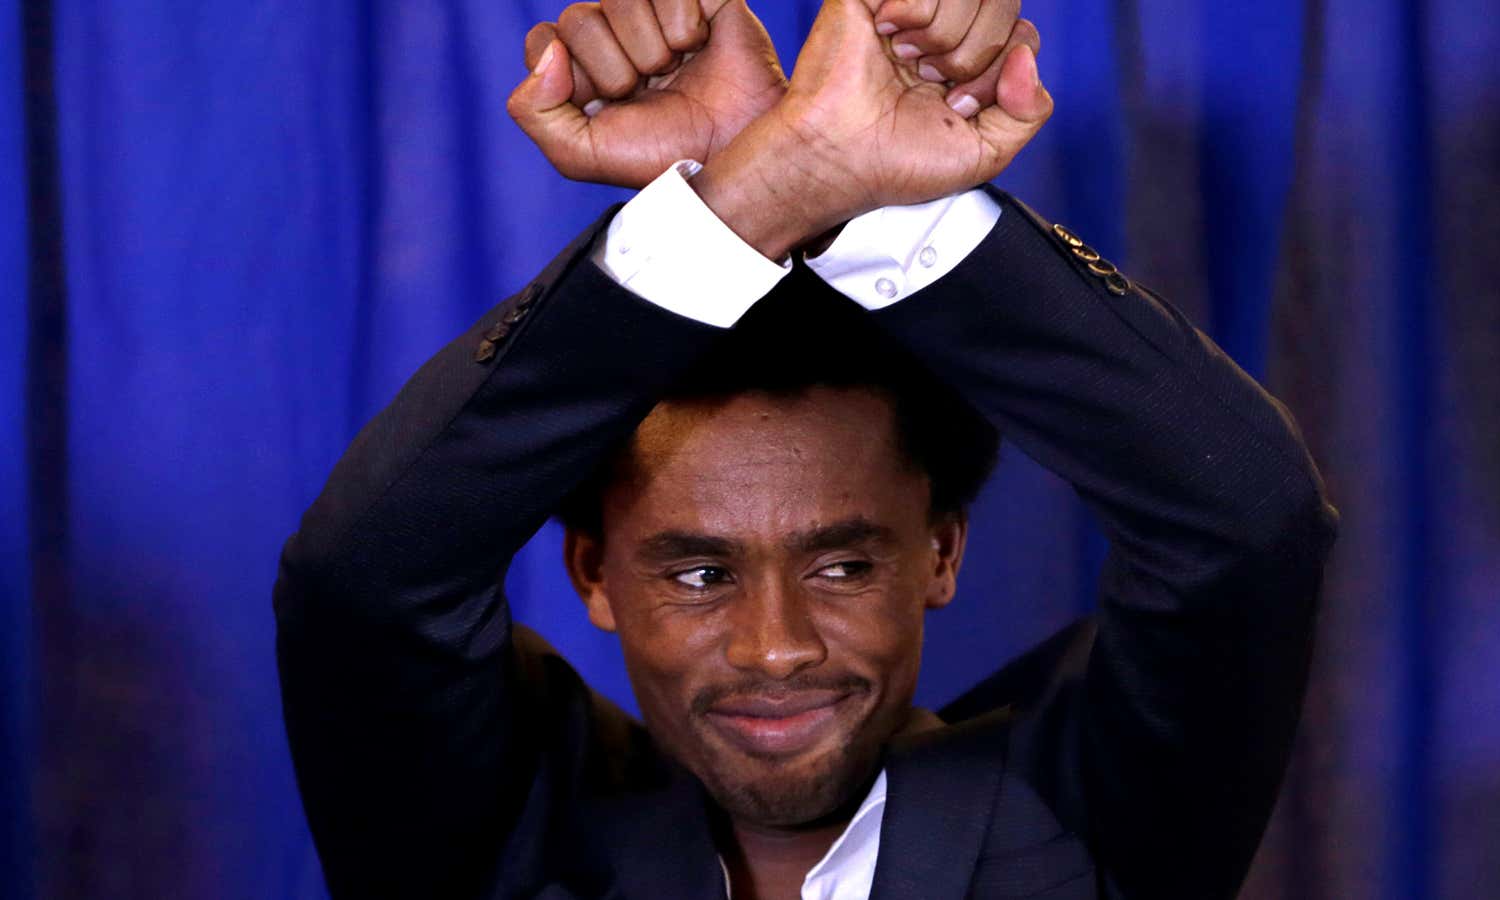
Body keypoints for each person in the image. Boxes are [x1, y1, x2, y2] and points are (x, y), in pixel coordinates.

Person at [273, 1, 1339, 897]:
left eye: (842, 564)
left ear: (940, 552)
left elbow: (1243, 522)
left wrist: (852, 199)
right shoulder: (503, 836)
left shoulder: (1085, 818)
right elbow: (363, 581)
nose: (773, 649)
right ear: (590, 570)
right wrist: (746, 202)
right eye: (698, 572)